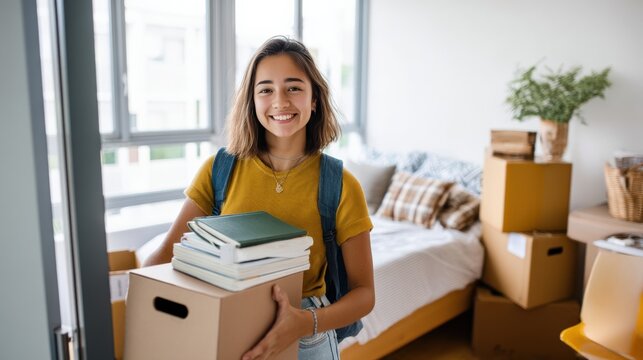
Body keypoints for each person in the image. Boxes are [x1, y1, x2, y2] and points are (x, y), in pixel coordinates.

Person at [143, 35, 375, 360]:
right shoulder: (218, 170)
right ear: (252, 101)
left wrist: (303, 323)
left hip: (307, 335)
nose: (280, 101)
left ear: (314, 100)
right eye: (265, 89)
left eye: (293, 87)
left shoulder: (341, 184)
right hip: (228, 323)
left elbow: (365, 294)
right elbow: (163, 258)